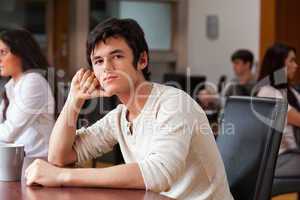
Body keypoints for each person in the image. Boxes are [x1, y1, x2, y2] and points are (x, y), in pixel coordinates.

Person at [24, 18, 233, 200]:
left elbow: (158, 174)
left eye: (117, 56)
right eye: (98, 61)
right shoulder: (120, 116)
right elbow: (59, 156)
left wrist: (62, 177)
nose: (106, 67)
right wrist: (73, 101)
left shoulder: (174, 105)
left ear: (142, 60)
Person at [0, 29, 55, 157]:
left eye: (3, 52)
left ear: (21, 53)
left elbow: (9, 133)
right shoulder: (12, 85)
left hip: (38, 161)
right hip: (19, 160)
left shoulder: (33, 81)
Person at [257, 43, 300, 154]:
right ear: (278, 65)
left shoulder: (290, 90)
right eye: (291, 61)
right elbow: (297, 119)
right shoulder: (267, 92)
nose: (296, 65)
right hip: (282, 156)